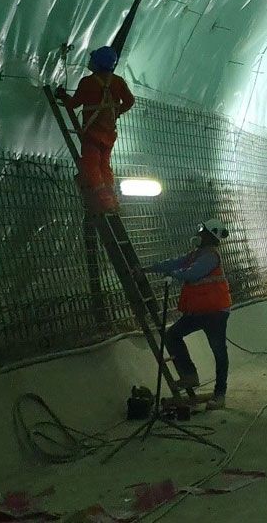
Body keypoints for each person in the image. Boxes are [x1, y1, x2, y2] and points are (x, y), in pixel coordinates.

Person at [146, 218, 233, 411]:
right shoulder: (196, 254)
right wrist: (151, 268)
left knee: (219, 351)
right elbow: (175, 263)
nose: (198, 236)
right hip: (199, 311)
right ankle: (189, 376)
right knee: (172, 335)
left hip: (215, 312)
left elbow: (193, 274)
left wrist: (175, 273)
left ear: (209, 236)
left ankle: (220, 394)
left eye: (202, 233)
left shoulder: (210, 256)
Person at [55, 45, 135, 214]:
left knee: (92, 166)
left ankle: (104, 201)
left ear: (98, 63)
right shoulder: (118, 82)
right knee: (105, 166)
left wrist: (62, 95)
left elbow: (74, 104)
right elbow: (129, 101)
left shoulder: (88, 82)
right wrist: (116, 112)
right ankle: (112, 199)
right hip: (109, 133)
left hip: (92, 134)